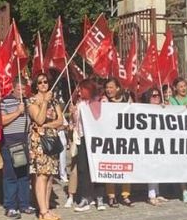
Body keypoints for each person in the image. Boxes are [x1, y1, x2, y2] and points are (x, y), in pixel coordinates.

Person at [28, 73, 65, 220]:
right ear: (36, 85)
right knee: (41, 174)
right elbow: (39, 119)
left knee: (50, 175)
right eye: (40, 82)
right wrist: (44, 103)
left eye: (46, 82)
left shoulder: (54, 101)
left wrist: (48, 125)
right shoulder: (32, 101)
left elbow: (60, 120)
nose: (44, 84)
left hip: (51, 138)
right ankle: (42, 211)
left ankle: (47, 207)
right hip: (38, 140)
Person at [0, 80, 33, 218]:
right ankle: (10, 206)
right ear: (13, 89)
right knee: (11, 176)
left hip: (24, 142)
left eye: (24, 89)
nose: (22, 92)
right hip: (10, 143)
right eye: (19, 89)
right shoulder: (5, 102)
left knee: (24, 175)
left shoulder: (27, 102)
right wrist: (17, 112)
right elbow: (2, 121)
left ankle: (24, 204)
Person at [72, 80, 103, 211]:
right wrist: (73, 113)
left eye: (81, 89)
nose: (79, 92)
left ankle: (100, 197)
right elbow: (76, 123)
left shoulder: (100, 102)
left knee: (98, 168)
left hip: (97, 139)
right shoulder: (79, 104)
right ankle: (85, 197)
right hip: (83, 139)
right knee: (83, 169)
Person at [102, 78, 133, 207]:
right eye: (107, 87)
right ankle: (111, 195)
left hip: (124, 138)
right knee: (111, 166)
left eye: (111, 87)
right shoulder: (104, 101)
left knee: (126, 166)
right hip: (109, 138)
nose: (109, 90)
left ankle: (125, 195)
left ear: (118, 88)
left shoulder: (127, 99)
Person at [140, 87, 169, 205]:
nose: (156, 97)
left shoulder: (163, 107)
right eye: (153, 96)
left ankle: (157, 193)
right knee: (152, 168)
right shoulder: (144, 109)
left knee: (158, 168)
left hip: (161, 142)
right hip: (150, 142)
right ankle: (151, 195)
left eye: (158, 95)